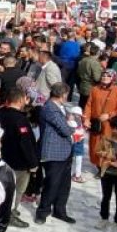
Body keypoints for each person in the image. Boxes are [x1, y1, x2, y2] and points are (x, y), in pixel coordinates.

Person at [0, 86, 37, 229]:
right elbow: (25, 143)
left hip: (2, 158)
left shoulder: (0, 113)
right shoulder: (20, 119)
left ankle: (5, 210)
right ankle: (9, 214)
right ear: (19, 100)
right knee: (17, 190)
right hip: (18, 162)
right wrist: (32, 163)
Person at [35, 83, 76, 224]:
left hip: (65, 150)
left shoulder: (60, 107)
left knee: (64, 184)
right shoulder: (50, 108)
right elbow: (65, 129)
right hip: (54, 151)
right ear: (63, 94)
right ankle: (42, 212)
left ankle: (60, 210)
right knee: (52, 183)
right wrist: (72, 126)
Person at [85, 69, 117, 174]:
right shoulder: (95, 89)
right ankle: (99, 167)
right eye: (103, 76)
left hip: (110, 126)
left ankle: (105, 169)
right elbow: (89, 105)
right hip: (97, 125)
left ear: (113, 78)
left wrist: (110, 115)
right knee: (95, 147)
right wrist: (86, 119)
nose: (105, 78)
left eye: (108, 76)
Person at [77, 43, 103, 107]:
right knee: (87, 106)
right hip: (91, 87)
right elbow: (97, 78)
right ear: (98, 53)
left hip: (82, 85)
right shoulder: (95, 63)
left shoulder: (83, 60)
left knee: (82, 104)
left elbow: (78, 72)